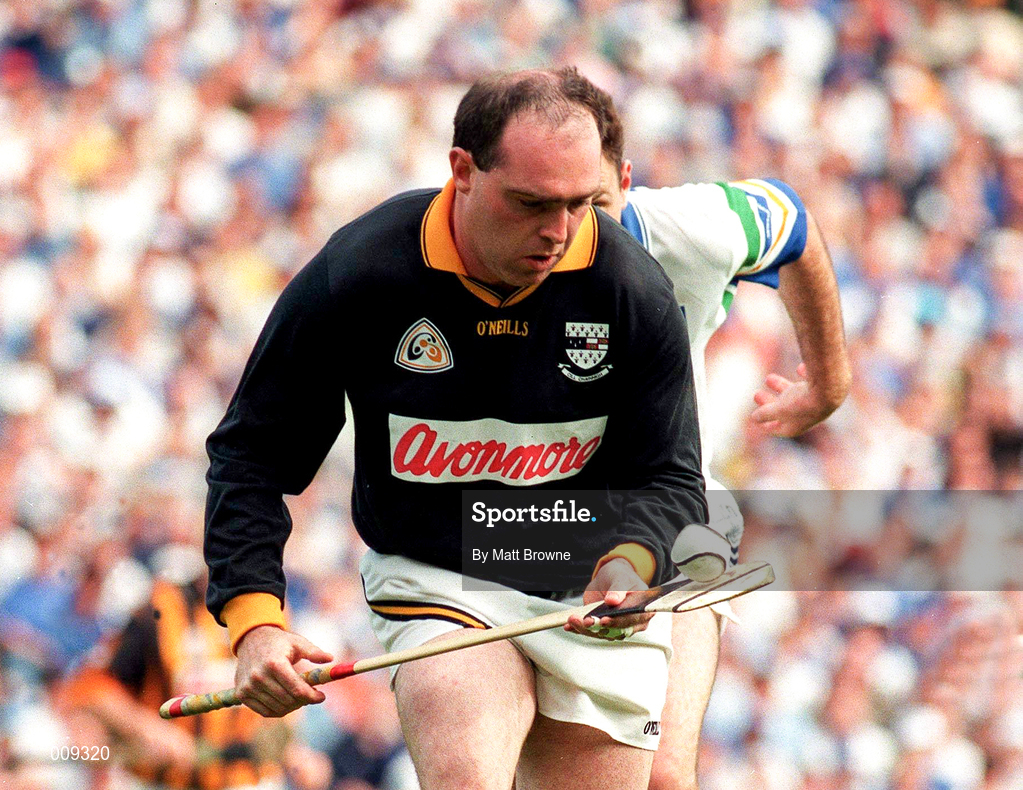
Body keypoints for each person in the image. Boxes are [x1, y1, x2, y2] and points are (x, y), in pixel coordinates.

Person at [203, 67, 708, 790]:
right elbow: (252, 455)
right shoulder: (362, 272)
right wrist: (255, 622)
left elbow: (669, 479)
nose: (559, 233)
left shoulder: (629, 287)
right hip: (439, 570)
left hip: (585, 582)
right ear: (462, 170)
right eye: (531, 203)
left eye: (579, 204)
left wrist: (632, 563)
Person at [588, 98, 852, 790]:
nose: (578, 232)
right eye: (554, 205)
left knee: (664, 778)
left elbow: (792, 220)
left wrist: (828, 383)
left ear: (626, 177)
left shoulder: (685, 230)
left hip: (676, 509)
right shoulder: (496, 251)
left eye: (596, 203)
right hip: (538, 531)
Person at [58, 547, 331, 790]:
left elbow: (284, 692)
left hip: (247, 781)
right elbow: (93, 687)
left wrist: (294, 748)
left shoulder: (275, 612)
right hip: (162, 780)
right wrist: (145, 728)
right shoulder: (162, 607)